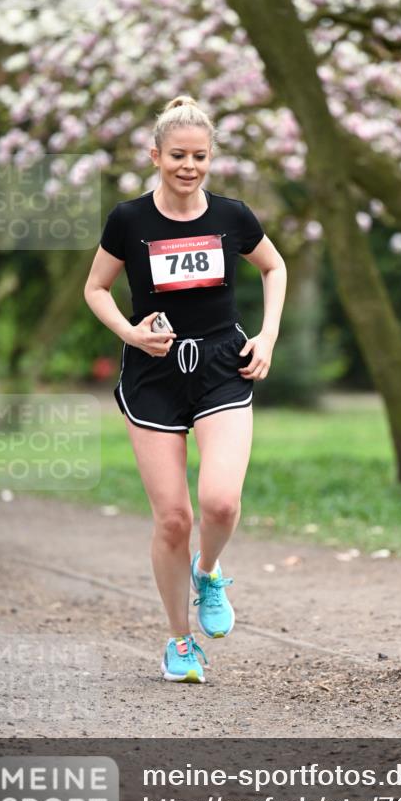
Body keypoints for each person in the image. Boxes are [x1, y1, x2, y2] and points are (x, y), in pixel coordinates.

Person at [84, 95, 286, 684]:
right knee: (172, 517)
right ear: (155, 156)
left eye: (199, 156)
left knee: (221, 502)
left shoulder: (233, 216)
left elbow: (274, 267)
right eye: (177, 155)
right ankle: (179, 641)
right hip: (154, 374)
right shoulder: (129, 220)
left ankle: (209, 571)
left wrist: (268, 336)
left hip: (224, 365)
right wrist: (128, 333)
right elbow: (96, 288)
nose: (188, 165)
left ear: (210, 158)